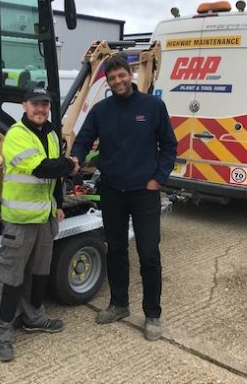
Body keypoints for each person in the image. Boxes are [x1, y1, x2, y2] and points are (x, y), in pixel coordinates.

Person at [71, 55, 177, 341]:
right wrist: (76, 157)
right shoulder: (101, 110)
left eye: (122, 75)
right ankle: (119, 305)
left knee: (149, 253)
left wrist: (159, 178)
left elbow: (169, 146)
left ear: (130, 74)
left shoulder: (152, 106)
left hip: (144, 192)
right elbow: (83, 140)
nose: (118, 81)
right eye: (112, 77)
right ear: (107, 80)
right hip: (112, 190)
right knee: (116, 250)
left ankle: (153, 314)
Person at [0, 86, 79, 362]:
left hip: (45, 217)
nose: (41, 109)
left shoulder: (52, 134)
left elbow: (55, 179)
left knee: (40, 274)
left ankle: (35, 319)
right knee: (11, 278)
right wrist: (70, 165)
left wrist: (60, 205)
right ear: (24, 105)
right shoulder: (16, 135)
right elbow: (42, 168)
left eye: (45, 104)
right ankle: (3, 334)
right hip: (19, 221)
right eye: (35, 104)